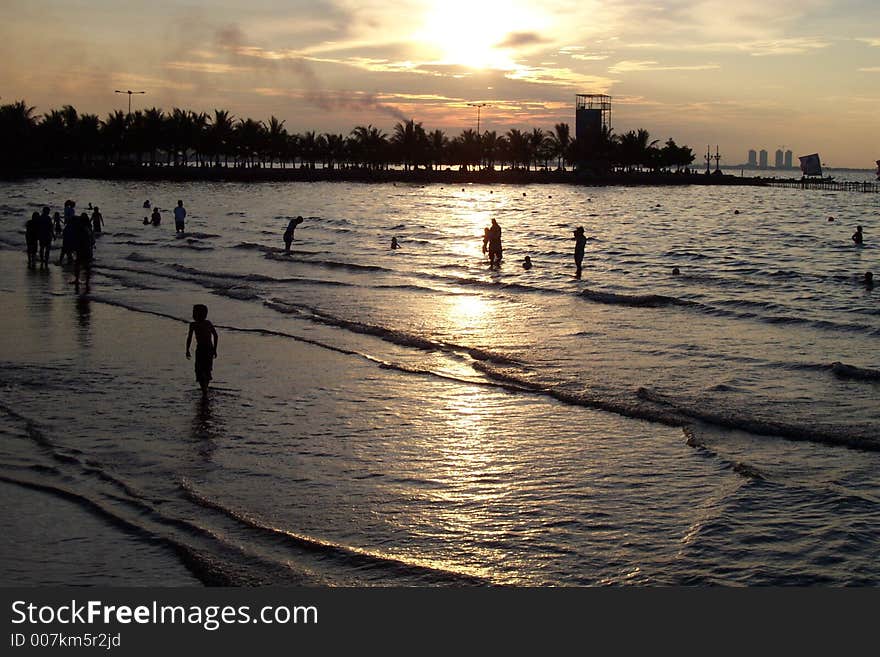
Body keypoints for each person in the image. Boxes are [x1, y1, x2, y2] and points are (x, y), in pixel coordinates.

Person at [186, 304, 219, 397]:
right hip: (205, 348)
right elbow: (215, 335)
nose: (193, 315)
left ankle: (204, 389)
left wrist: (187, 349)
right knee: (203, 369)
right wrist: (214, 349)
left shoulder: (199, 324)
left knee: (203, 369)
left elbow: (189, 338)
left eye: (194, 313)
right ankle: (204, 389)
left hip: (204, 349)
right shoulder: (199, 324)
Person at [73, 212, 94, 285]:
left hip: (81, 249)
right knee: (87, 265)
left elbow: (77, 239)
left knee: (78, 264)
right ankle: (87, 281)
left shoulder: (80, 228)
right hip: (87, 248)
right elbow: (92, 239)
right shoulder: (88, 228)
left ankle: (77, 279)